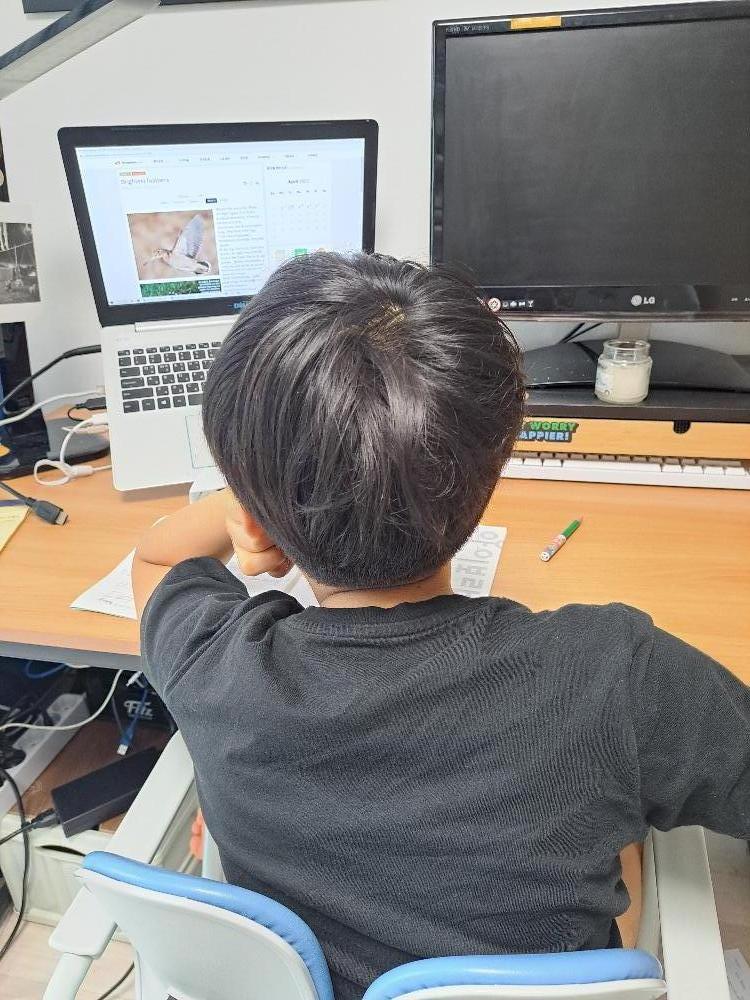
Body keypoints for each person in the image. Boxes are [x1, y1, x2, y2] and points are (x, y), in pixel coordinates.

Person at [133, 252, 750, 1000]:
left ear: (253, 515)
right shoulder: (613, 675)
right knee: (621, 815)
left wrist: (255, 505)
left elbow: (155, 555)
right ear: (492, 467)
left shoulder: (213, 662)